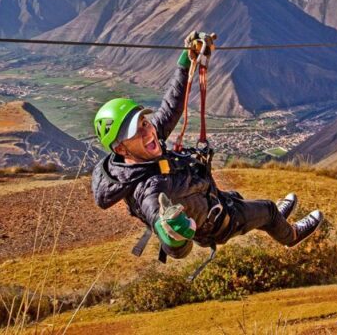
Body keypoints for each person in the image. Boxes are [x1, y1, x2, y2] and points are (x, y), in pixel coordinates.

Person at [91, 31, 323, 261]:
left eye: (144, 121)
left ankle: (271, 221)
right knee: (268, 209)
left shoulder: (146, 144)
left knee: (246, 202)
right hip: (221, 222)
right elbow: (166, 233)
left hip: (213, 198)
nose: (148, 130)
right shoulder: (148, 190)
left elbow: (172, 106)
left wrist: (186, 60)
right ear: (121, 149)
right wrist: (173, 235)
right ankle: (290, 235)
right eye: (137, 131)